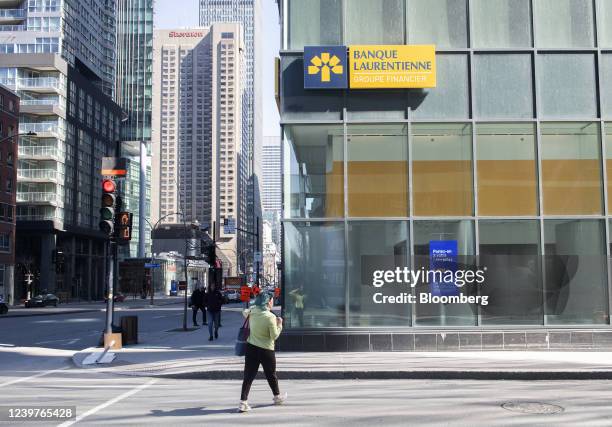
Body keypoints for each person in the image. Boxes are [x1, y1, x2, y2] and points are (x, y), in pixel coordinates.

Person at [238, 292, 285, 413]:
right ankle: (277, 397)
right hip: (266, 350)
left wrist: (254, 306)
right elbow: (274, 336)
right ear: (268, 302)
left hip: (251, 348)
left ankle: (243, 402)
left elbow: (244, 312)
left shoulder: (252, 312)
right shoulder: (270, 317)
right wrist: (279, 324)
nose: (273, 302)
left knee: (248, 376)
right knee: (271, 375)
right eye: (272, 300)